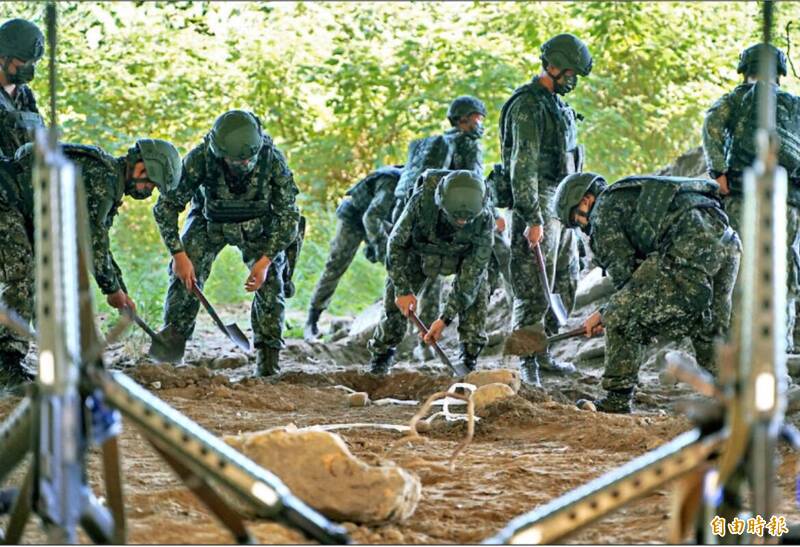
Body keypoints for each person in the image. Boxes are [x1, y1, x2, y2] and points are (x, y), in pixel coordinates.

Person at [552, 172, 741, 413]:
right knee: (710, 325)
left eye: (576, 218)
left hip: (690, 251)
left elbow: (627, 282)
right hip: (728, 244)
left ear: (587, 200)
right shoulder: (628, 193)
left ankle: (617, 400)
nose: (580, 225)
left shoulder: (603, 214)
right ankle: (733, 397)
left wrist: (604, 314)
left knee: (620, 313)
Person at [0, 138, 181, 387]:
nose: (149, 191)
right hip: (5, 199)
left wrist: (121, 291)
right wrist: (112, 290)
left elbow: (100, 246)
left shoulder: (108, 180)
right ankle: (5, 365)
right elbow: (92, 245)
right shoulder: (103, 181)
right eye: (150, 183)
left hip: (18, 208)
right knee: (21, 273)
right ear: (139, 168)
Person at [150, 110, 300, 377]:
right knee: (184, 278)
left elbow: (289, 216)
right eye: (234, 160)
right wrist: (179, 255)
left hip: (258, 225)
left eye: (246, 160)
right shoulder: (200, 158)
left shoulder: (272, 160)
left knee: (272, 283)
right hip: (210, 223)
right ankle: (171, 352)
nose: (241, 165)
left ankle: (267, 363)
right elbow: (166, 206)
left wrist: (265, 263)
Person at [498, 33, 592, 385]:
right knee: (533, 287)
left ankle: (544, 352)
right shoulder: (528, 105)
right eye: (570, 73)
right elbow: (522, 165)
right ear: (553, 67)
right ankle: (528, 363)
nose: (573, 81)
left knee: (565, 280)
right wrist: (532, 217)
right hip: (536, 200)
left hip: (563, 202)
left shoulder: (558, 106)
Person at [702, 42, 800, 353]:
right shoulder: (794, 104)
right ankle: (779, 346)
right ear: (780, 73)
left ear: (746, 70)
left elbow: (711, 125)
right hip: (787, 202)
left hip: (743, 195)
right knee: (781, 267)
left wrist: (718, 171)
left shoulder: (737, 98)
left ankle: (738, 345)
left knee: (739, 268)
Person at [368, 170, 494, 375]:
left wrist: (445, 319)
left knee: (478, 292)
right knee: (395, 305)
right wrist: (402, 290)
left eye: (467, 219)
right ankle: (380, 359)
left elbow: (472, 274)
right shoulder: (421, 204)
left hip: (460, 257)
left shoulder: (484, 219)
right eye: (456, 218)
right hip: (418, 254)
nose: (461, 222)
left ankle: (468, 360)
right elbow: (396, 245)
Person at [391, 95, 487, 360]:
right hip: (454, 221)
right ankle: (430, 346)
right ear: (463, 120)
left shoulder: (437, 143)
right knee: (481, 271)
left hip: (423, 221)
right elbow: (474, 186)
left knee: (423, 281)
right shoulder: (467, 144)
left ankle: (419, 346)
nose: (480, 124)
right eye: (478, 118)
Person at [303, 165, 402, 341]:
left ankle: (395, 313)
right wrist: (380, 247)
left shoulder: (420, 186)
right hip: (354, 217)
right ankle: (312, 319)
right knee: (336, 265)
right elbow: (371, 217)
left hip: (379, 221)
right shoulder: (392, 180)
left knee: (400, 259)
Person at [0, 18, 45, 158]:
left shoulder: (25, 95)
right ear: (2, 57)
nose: (30, 68)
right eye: (25, 62)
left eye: (35, 62)